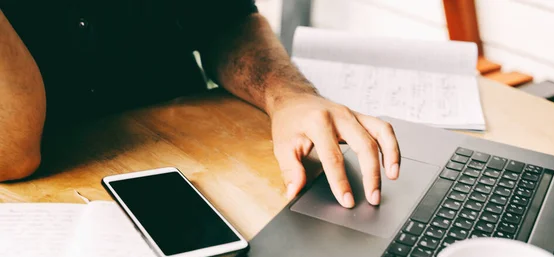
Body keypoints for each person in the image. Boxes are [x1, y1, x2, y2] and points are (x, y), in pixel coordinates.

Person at [0, 0, 400, 208]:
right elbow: (13, 154)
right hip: (46, 199)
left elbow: (224, 21)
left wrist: (289, 95)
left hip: (193, 165)